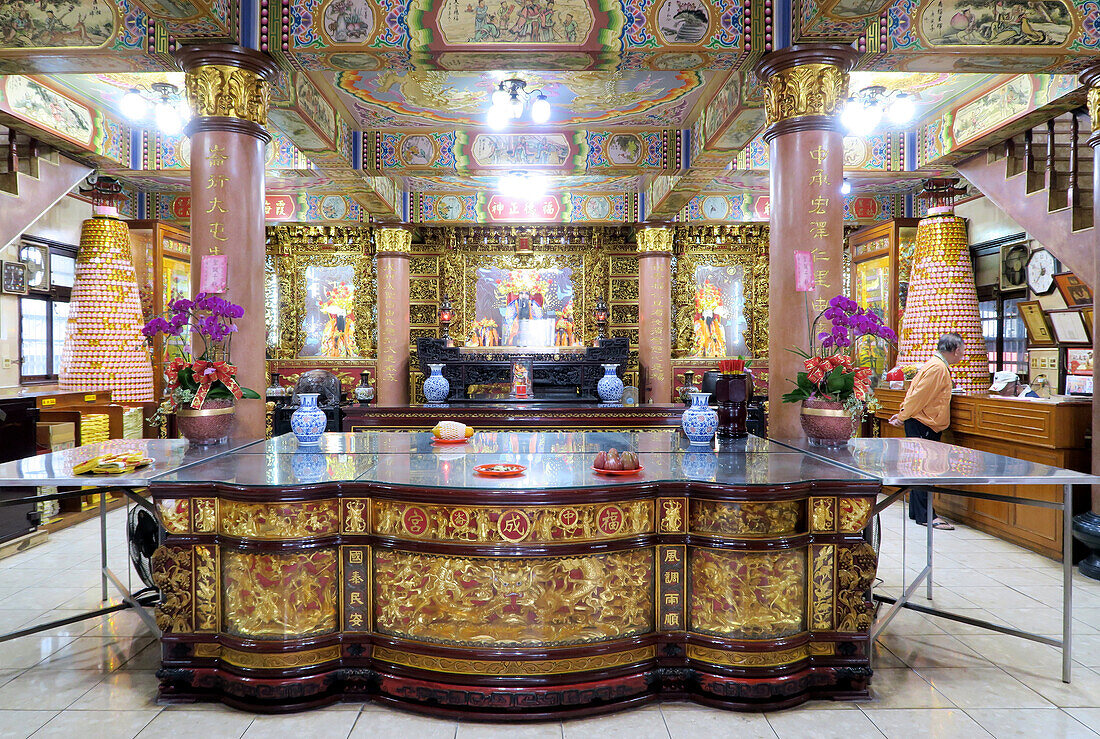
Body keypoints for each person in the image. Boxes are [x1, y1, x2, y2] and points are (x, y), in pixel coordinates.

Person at [888, 332, 966, 530]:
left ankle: (918, 511)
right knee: (925, 468)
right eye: (963, 351)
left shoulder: (934, 364)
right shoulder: (938, 368)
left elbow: (915, 394)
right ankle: (926, 515)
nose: (963, 355)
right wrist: (902, 416)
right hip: (923, 423)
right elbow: (918, 397)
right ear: (956, 350)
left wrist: (902, 414)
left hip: (922, 421)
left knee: (918, 467)